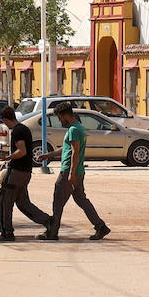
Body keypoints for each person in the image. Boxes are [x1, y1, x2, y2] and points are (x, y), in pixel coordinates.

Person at [38, 102, 110, 241]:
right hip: (79, 171)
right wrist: (49, 155)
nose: (59, 120)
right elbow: (67, 149)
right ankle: (100, 227)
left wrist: (71, 173)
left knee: (58, 201)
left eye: (60, 117)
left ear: (65, 115)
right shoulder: (78, 128)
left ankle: (52, 232)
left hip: (69, 172)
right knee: (82, 200)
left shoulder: (74, 130)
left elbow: (75, 152)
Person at [0, 105, 51, 241]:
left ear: (5, 119)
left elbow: (22, 151)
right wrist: (5, 164)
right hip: (25, 172)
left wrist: (7, 157)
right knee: (23, 203)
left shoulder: (18, 131)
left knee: (5, 201)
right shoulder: (24, 129)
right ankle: (49, 222)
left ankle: (7, 232)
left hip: (16, 174)